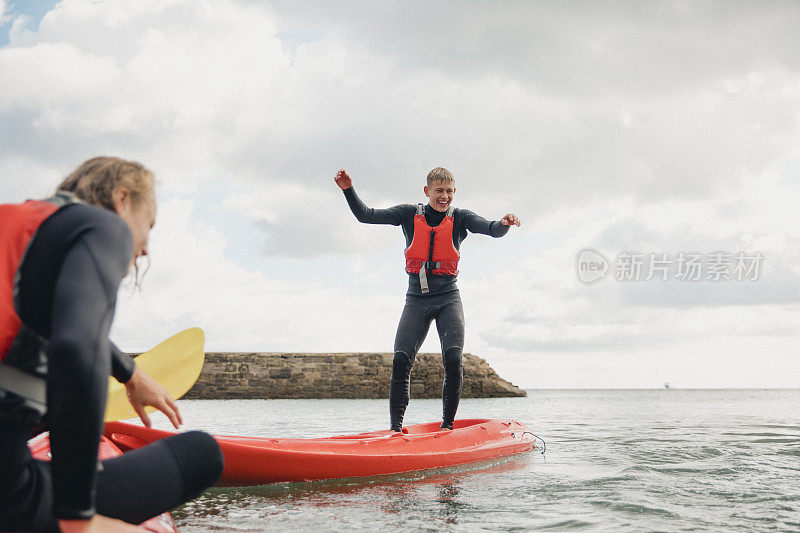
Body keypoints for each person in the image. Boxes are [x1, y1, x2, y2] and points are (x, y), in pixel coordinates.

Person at [0, 157, 223, 532]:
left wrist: (130, 373)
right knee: (202, 454)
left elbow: (53, 318)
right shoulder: (103, 227)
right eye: (147, 225)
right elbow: (75, 348)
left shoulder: (19, 230)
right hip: (10, 497)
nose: (146, 248)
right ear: (122, 200)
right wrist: (79, 520)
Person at [334, 167, 521, 431]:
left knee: (454, 360)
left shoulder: (461, 218)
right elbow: (366, 216)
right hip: (416, 300)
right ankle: (395, 431)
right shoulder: (408, 214)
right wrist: (347, 190)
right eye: (439, 191)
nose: (444, 196)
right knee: (401, 361)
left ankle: (447, 427)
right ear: (427, 191)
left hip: (448, 299)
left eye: (449, 191)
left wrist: (504, 224)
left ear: (454, 192)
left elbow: (492, 229)